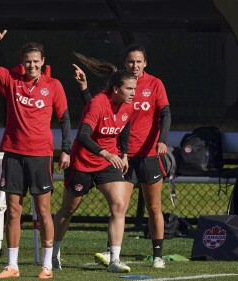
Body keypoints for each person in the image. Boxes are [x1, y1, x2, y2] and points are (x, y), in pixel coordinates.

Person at [0, 30, 72, 279]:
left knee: (43, 212)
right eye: (28, 61)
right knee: (13, 211)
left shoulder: (54, 85)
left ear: (43, 61)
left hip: (40, 155)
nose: (32, 65)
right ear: (23, 62)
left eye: (36, 61)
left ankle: (47, 266)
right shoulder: (12, 80)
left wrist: (66, 149)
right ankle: (12, 265)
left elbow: (64, 117)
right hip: (13, 153)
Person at [73, 44, 171, 269]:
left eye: (139, 61)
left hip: (148, 155)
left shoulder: (155, 84)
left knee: (154, 207)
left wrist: (162, 140)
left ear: (145, 63)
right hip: (122, 156)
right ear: (125, 63)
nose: (134, 65)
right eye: (130, 61)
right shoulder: (117, 85)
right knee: (119, 207)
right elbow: (95, 108)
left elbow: (165, 113)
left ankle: (158, 255)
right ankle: (112, 253)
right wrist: (84, 88)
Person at [52, 53, 136, 273]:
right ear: (116, 89)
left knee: (119, 205)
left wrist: (124, 154)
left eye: (134, 89)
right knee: (68, 209)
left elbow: (124, 126)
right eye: (129, 89)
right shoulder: (98, 103)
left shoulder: (128, 106)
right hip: (83, 162)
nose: (133, 93)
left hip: (107, 163)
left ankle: (114, 260)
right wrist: (107, 154)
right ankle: (52, 253)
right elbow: (83, 136)